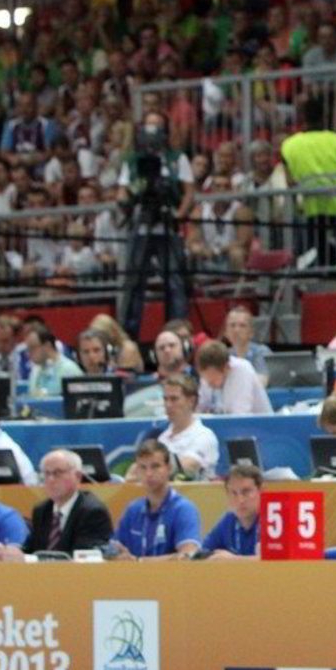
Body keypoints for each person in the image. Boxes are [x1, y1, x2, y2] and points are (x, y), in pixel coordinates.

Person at [118, 109, 194, 340]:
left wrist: (178, 214)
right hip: (141, 227)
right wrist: (127, 201)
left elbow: (189, 192)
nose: (152, 133)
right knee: (134, 282)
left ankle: (178, 331)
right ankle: (128, 335)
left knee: (175, 281)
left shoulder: (177, 159)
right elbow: (122, 191)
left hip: (167, 225)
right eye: (148, 127)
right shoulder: (133, 161)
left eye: (157, 127)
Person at [281, 96, 336, 276]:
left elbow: (290, 182)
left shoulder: (289, 146)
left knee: (319, 251)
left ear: (302, 117)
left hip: (313, 207)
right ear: (324, 117)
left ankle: (326, 277)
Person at [0, 449, 111, 559]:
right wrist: (11, 552)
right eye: (46, 474)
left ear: (78, 476)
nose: (51, 479)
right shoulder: (42, 510)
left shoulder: (92, 512)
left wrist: (28, 559)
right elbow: (31, 549)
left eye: (57, 473)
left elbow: (80, 558)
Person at [111, 439, 201, 560]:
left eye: (155, 466)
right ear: (137, 471)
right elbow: (114, 549)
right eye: (143, 467)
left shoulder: (184, 509)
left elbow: (188, 555)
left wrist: (139, 562)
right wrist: (117, 555)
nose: (148, 474)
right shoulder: (133, 510)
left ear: (169, 468)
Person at [153, 374, 220, 482]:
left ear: (191, 401)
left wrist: (147, 470)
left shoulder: (204, 436)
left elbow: (187, 467)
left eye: (174, 399)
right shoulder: (162, 438)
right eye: (165, 399)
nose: (168, 404)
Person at [200, 463, 261, 559]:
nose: (240, 500)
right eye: (234, 493)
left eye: (246, 492)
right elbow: (202, 553)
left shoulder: (271, 519)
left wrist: (233, 560)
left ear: (261, 492)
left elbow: (275, 561)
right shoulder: (228, 520)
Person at [195, 340, 272, 415]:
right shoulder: (207, 378)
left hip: (260, 423)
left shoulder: (243, 370)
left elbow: (240, 417)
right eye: (204, 377)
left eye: (212, 376)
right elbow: (199, 409)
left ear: (226, 367)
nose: (208, 383)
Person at [24, 320, 84, 398]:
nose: (28, 353)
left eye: (32, 348)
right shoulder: (35, 370)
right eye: (28, 349)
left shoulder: (70, 371)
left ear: (47, 346)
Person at [223, 304, 271, 380]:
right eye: (232, 325)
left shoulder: (261, 352)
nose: (236, 330)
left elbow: (262, 382)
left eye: (242, 325)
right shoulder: (223, 355)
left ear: (251, 332)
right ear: (225, 332)